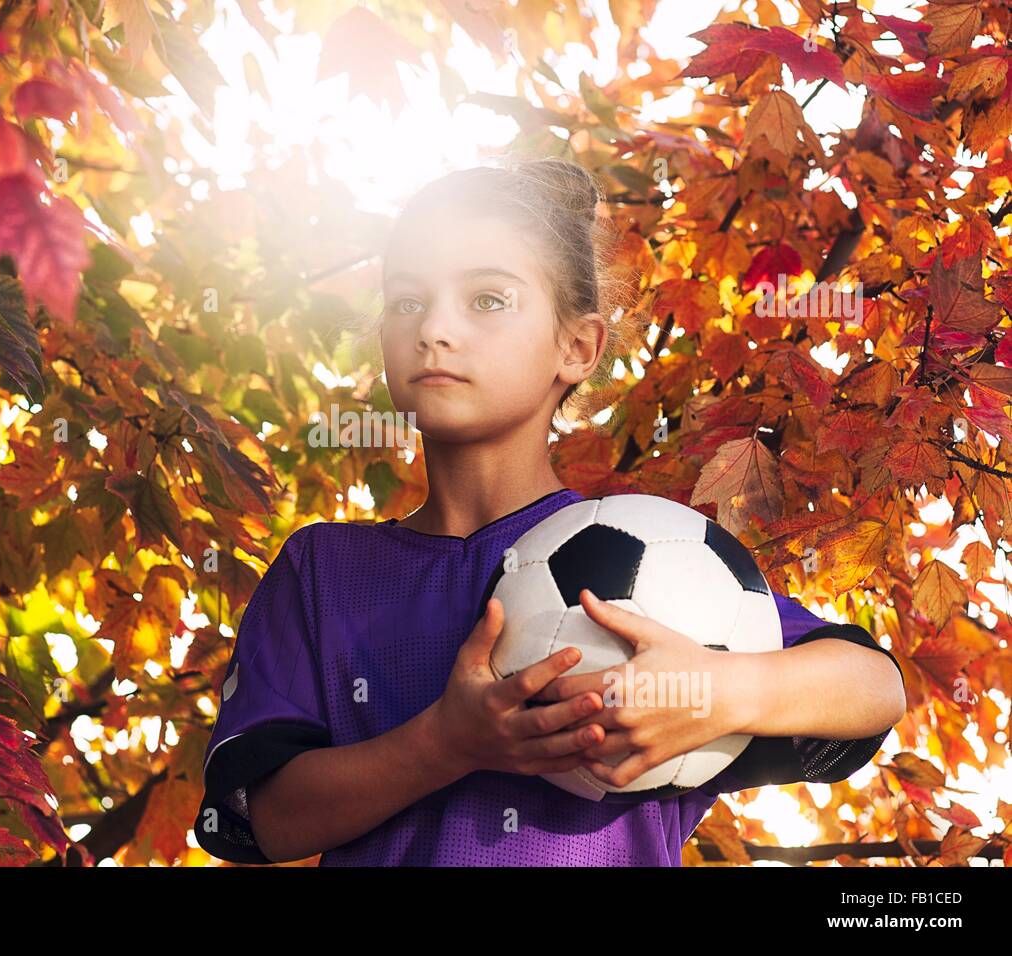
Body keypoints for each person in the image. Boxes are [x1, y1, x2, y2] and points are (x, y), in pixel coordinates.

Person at [191, 158, 907, 866]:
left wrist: (716, 692)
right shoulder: (324, 571)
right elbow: (266, 821)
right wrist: (444, 744)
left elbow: (875, 687)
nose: (434, 328)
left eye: (487, 300)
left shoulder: (669, 561)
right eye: (406, 301)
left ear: (577, 347)